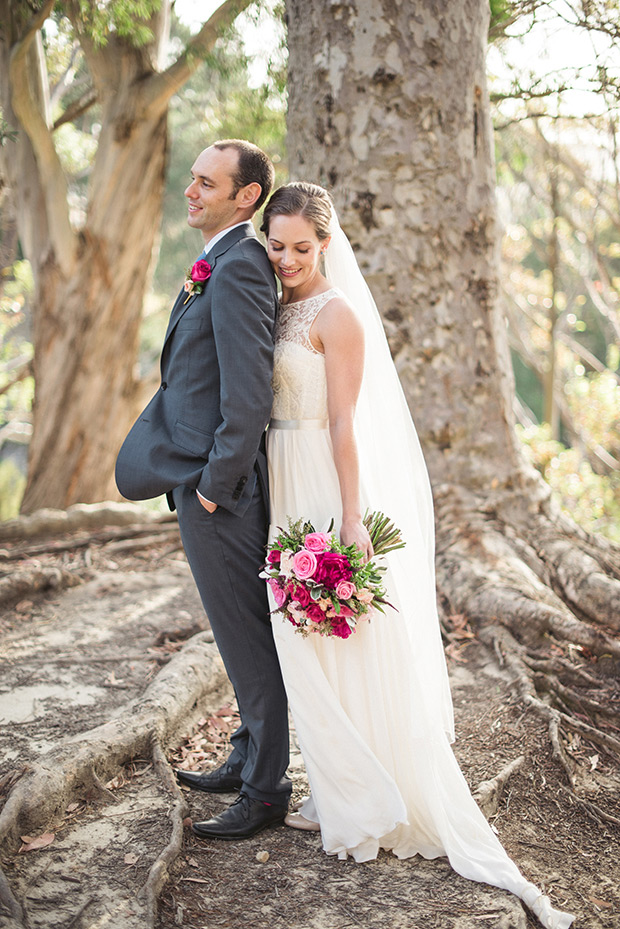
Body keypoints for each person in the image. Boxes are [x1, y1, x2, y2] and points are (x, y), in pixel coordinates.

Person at [258, 181, 574, 929]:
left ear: (326, 244)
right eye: (278, 243)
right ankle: (339, 784)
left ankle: (367, 795)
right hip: (277, 475)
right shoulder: (273, 303)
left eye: (303, 246)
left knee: (329, 636)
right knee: (296, 640)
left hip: (319, 478)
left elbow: (344, 422)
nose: (289, 257)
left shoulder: (338, 316)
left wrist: (349, 517)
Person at [115, 140, 291, 839]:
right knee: (235, 633)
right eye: (191, 178)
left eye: (206, 182)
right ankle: (246, 754)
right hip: (203, 480)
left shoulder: (241, 265)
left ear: (246, 196)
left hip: (221, 489)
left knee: (250, 641)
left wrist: (214, 485)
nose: (190, 190)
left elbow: (249, 396)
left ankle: (265, 787)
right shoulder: (217, 261)